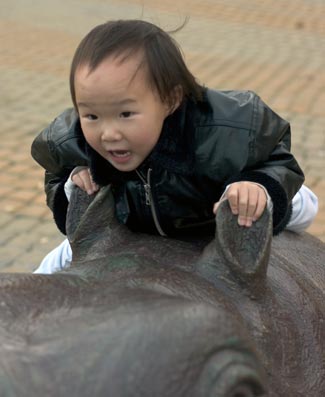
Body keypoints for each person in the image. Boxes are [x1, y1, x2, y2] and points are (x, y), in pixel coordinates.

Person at [31, 20, 318, 274]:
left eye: (126, 114)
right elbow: (55, 171)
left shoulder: (226, 133)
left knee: (290, 207)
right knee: (53, 265)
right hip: (135, 224)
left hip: (213, 206)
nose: (108, 133)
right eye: (91, 115)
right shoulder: (73, 139)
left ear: (170, 100)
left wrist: (260, 186)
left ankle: (286, 197)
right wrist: (71, 183)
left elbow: (276, 157)